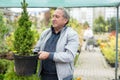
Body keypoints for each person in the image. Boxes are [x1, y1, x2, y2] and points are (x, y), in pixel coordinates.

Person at [33, 7, 79, 80]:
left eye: (57, 17)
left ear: (65, 20)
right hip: (44, 76)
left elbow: (69, 56)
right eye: (53, 16)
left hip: (62, 77)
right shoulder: (45, 33)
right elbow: (36, 50)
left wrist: (49, 55)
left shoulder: (71, 34)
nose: (53, 19)